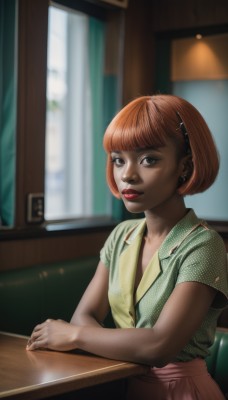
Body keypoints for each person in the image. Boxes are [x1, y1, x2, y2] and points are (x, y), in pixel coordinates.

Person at [27, 95, 228, 399]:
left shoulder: (204, 245)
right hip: (122, 385)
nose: (127, 175)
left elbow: (159, 347)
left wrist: (74, 335)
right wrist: (84, 330)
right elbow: (85, 314)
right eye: (119, 159)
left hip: (182, 391)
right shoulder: (121, 235)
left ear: (184, 166)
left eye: (149, 159)